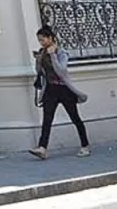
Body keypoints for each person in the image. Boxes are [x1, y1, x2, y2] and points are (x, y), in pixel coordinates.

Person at [29, 26, 89, 159]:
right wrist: (39, 60)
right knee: (47, 119)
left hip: (64, 89)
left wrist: (52, 55)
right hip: (50, 89)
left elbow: (61, 71)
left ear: (51, 38)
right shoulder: (42, 52)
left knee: (75, 118)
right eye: (39, 40)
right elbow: (40, 71)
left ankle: (85, 145)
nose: (41, 43)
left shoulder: (62, 53)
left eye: (43, 39)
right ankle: (42, 148)